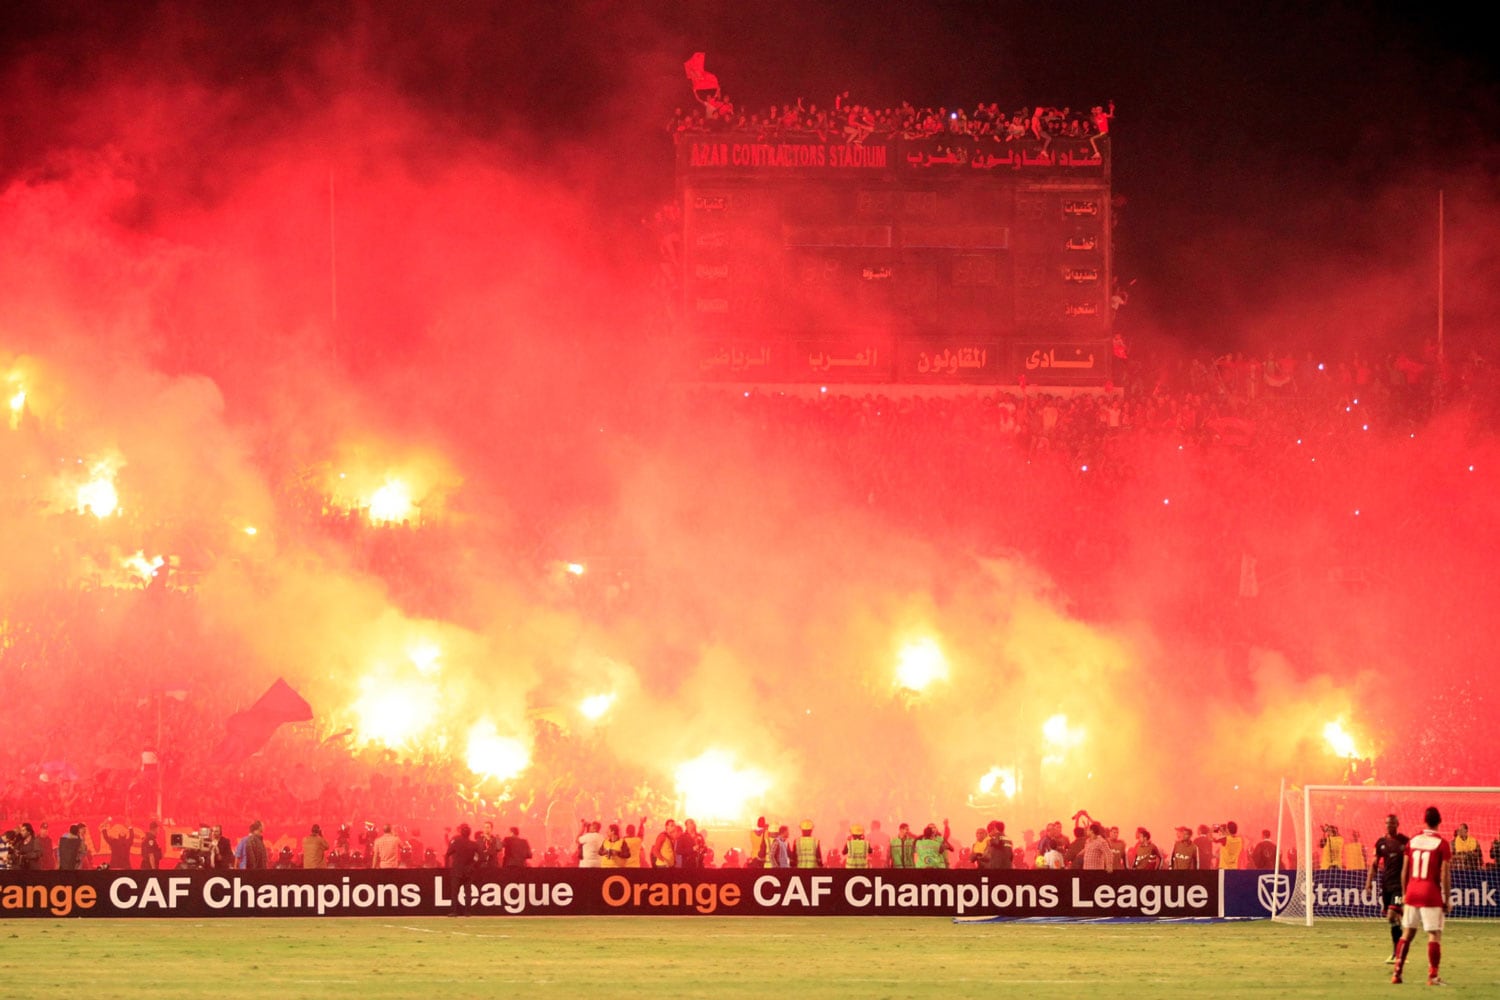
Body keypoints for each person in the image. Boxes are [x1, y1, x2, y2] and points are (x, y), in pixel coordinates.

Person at [1392, 806, 1451, 986]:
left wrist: (1404, 894)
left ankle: (1397, 973)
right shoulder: (1442, 844)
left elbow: (1404, 871)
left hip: (1411, 891)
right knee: (1434, 934)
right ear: (1439, 821)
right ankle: (1433, 977)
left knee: (1407, 933)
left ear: (1424, 820)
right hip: (1430, 893)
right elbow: (1445, 874)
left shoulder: (1413, 840)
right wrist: (1447, 899)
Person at [1365, 813, 1409, 963]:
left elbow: (1412, 861)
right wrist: (1369, 882)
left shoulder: (1404, 841)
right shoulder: (1380, 843)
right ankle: (1398, 953)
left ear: (1397, 824)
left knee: (1392, 916)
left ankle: (1398, 954)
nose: (1389, 826)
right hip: (1386, 885)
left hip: (1399, 885)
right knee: (1393, 920)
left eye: (1392, 823)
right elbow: (1374, 864)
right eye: (1387, 823)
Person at [444, 823, 480, 916]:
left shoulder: (456, 842)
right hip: (468, 871)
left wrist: (446, 866)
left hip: (456, 871)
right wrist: (473, 865)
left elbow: (448, 854)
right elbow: (482, 857)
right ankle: (467, 912)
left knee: (455, 892)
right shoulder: (474, 844)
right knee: (468, 892)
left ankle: (454, 911)